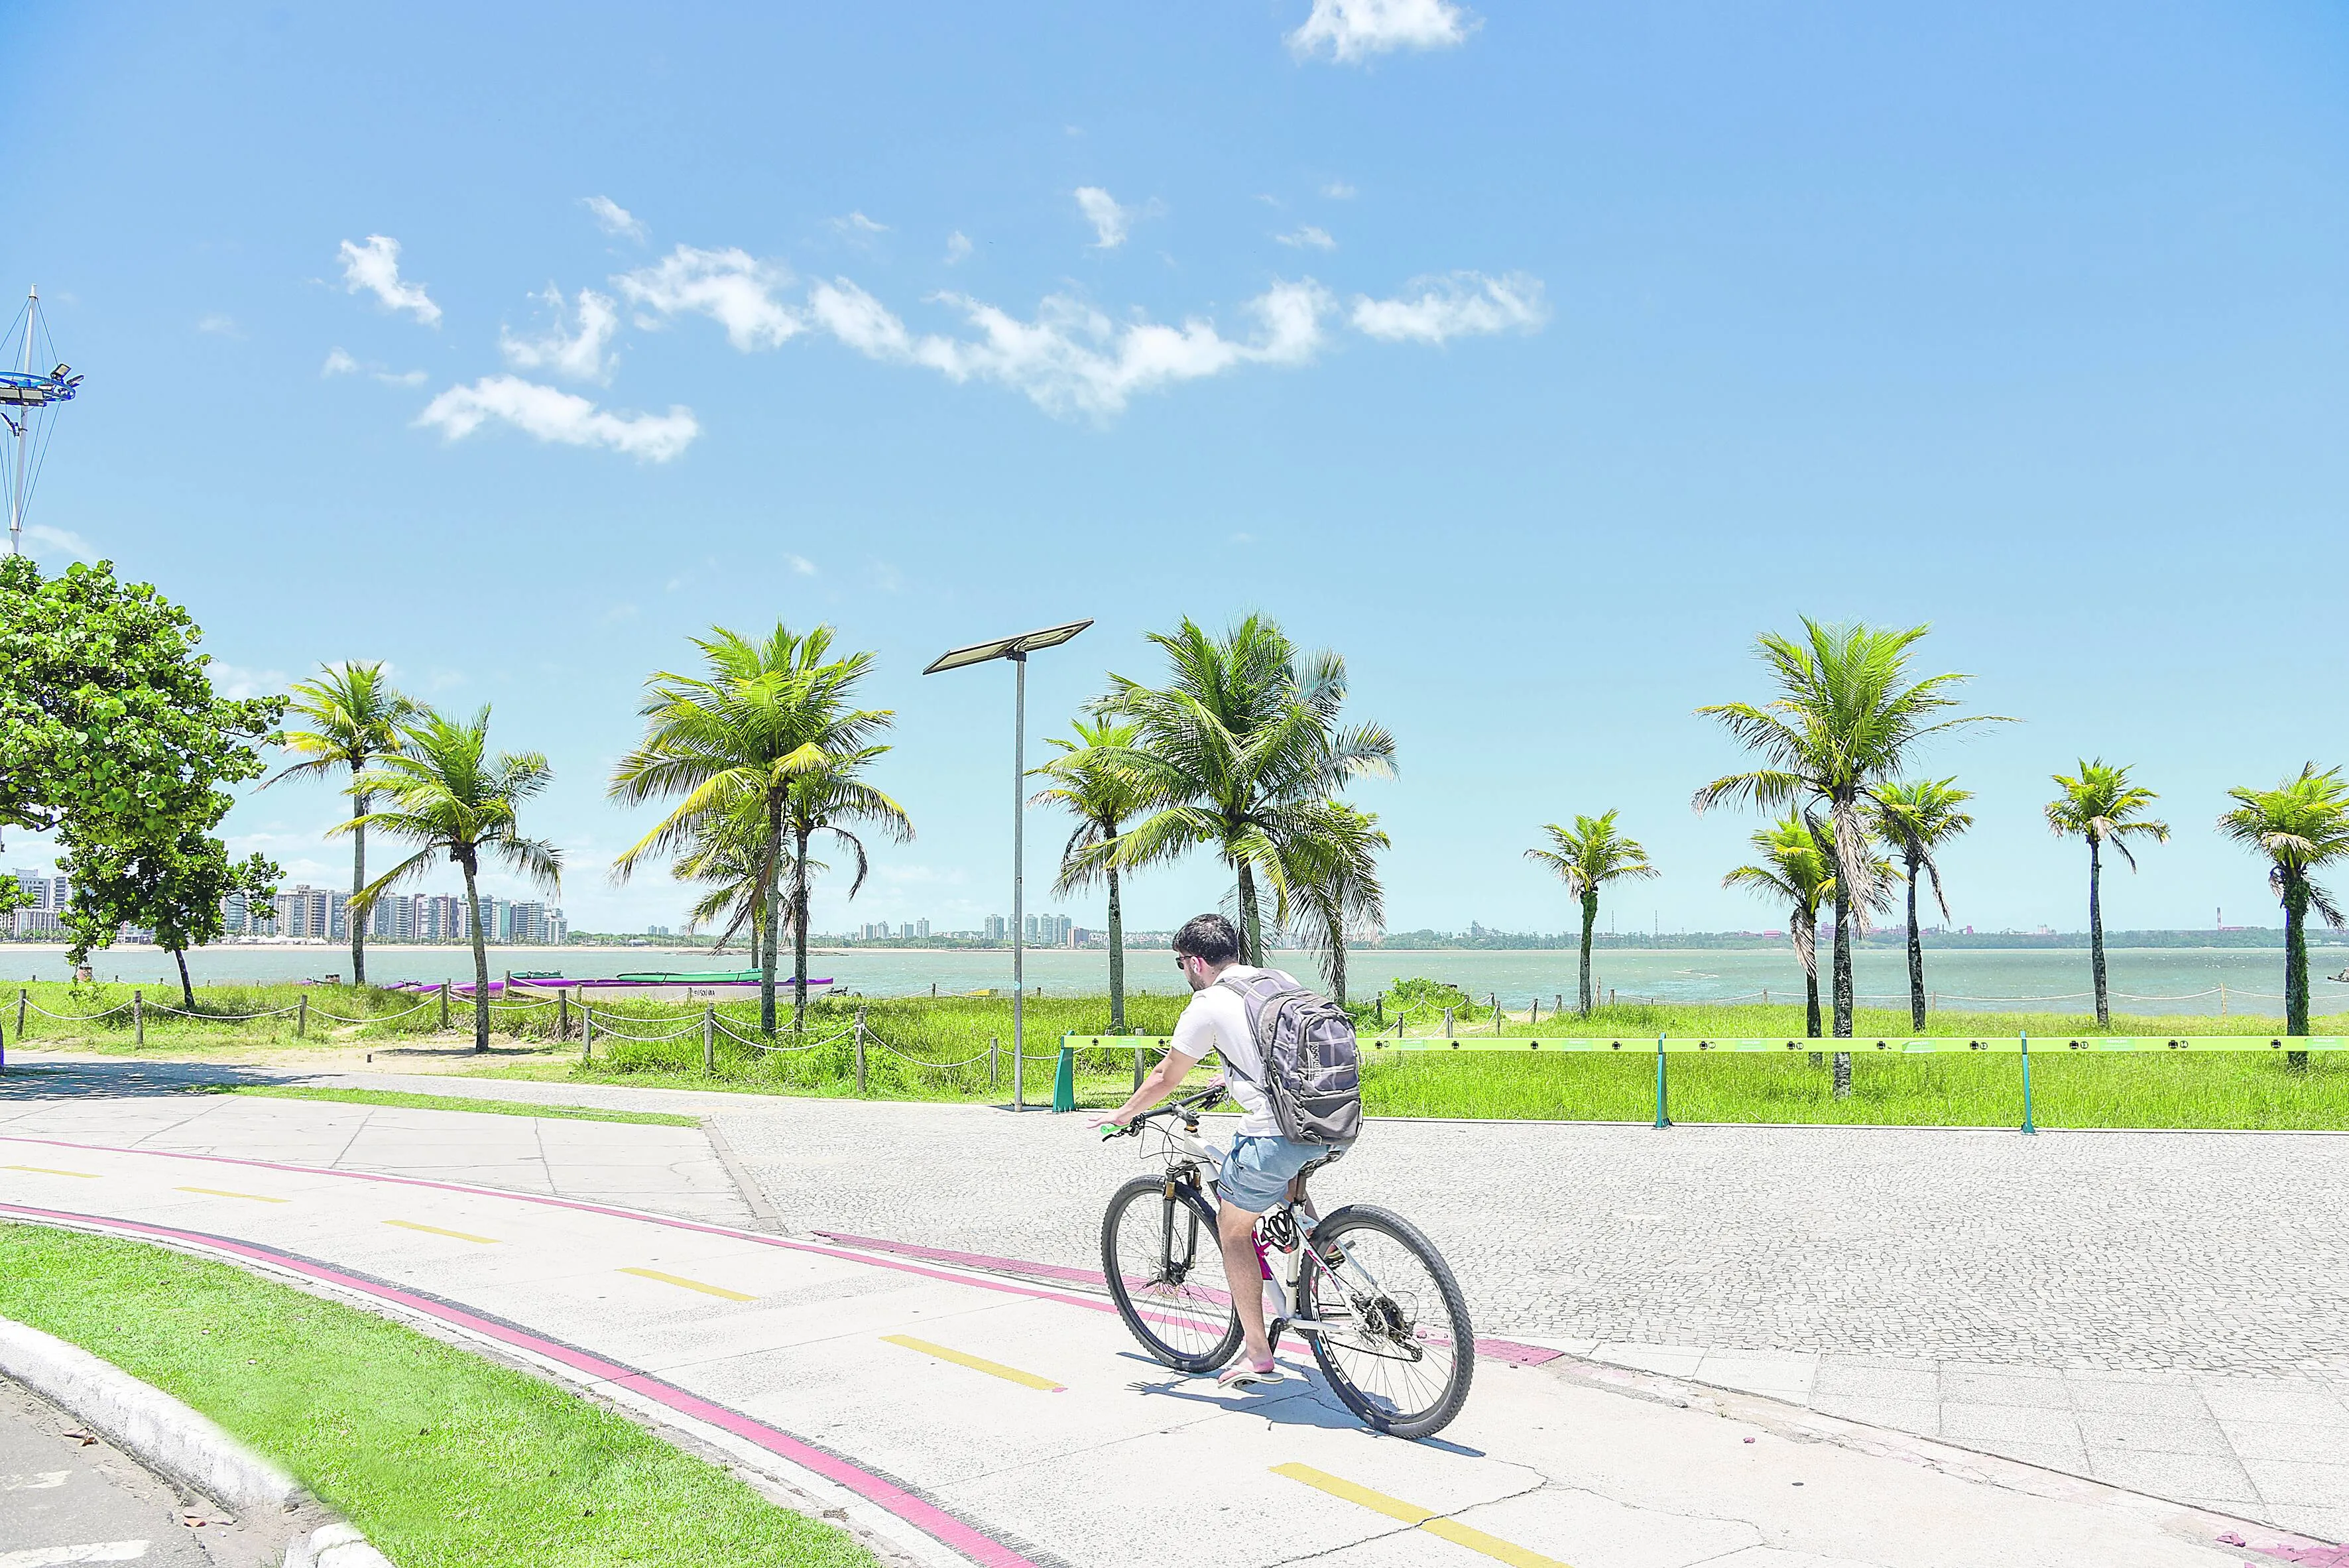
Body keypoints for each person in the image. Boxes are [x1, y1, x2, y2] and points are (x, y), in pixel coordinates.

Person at [1092, 911, 1349, 1390]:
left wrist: (1123, 1112)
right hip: (1334, 1118)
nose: (1184, 973)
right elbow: (1279, 1048)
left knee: (1233, 1230)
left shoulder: (1206, 1003)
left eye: (1180, 964)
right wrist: (1230, 1074)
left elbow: (1165, 1076)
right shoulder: (1277, 979)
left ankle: (1257, 1353)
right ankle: (1323, 1248)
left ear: (1194, 962)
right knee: (1279, 1180)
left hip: (1277, 1132)